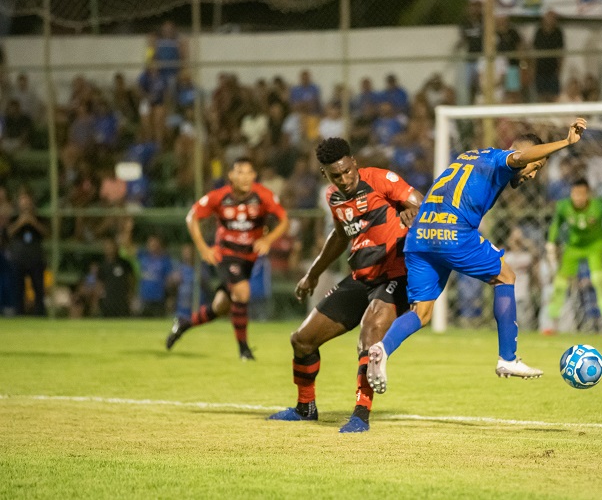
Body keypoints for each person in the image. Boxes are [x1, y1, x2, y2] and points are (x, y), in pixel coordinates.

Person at [366, 118, 589, 397]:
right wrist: (566, 143)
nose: (533, 174)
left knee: (421, 313)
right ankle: (508, 358)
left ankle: (382, 349)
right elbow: (521, 156)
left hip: (420, 235)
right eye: (537, 166)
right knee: (505, 277)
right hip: (453, 232)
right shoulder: (501, 158)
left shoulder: (469, 156)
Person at [268, 138, 422, 433]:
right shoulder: (334, 199)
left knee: (370, 334)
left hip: (393, 277)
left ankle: (360, 415)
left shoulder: (381, 179)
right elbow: (339, 237)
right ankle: (305, 408)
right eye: (336, 175)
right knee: (301, 340)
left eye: (348, 171)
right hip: (360, 277)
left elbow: (422, 204)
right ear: (325, 175)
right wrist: (312, 274)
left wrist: (414, 213)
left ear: (354, 163)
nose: (345, 179)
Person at [166, 157, 289, 360]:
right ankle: (244, 350)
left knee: (221, 306)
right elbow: (192, 217)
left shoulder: (263, 196)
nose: (245, 176)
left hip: (249, 259)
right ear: (231, 175)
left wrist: (268, 239)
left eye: (249, 172)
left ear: (254, 176)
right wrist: (203, 248)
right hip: (227, 255)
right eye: (240, 172)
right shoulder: (220, 196)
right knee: (242, 292)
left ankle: (183, 324)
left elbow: (284, 220)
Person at [546, 179, 602, 337]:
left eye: (581, 194)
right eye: (575, 194)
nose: (578, 198)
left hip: (595, 246)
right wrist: (551, 243)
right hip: (572, 247)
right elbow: (556, 223)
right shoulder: (563, 206)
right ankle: (552, 323)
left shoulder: (599, 205)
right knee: (560, 284)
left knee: (599, 280)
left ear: (588, 194)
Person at [6, 190, 48, 316]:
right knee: (19, 290)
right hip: (18, 259)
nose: (26, 205)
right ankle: (20, 314)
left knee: (39, 290)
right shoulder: (14, 217)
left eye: (28, 202)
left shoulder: (39, 217)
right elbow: (8, 233)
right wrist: (21, 221)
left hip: (36, 259)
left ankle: (40, 314)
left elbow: (47, 233)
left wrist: (33, 221)